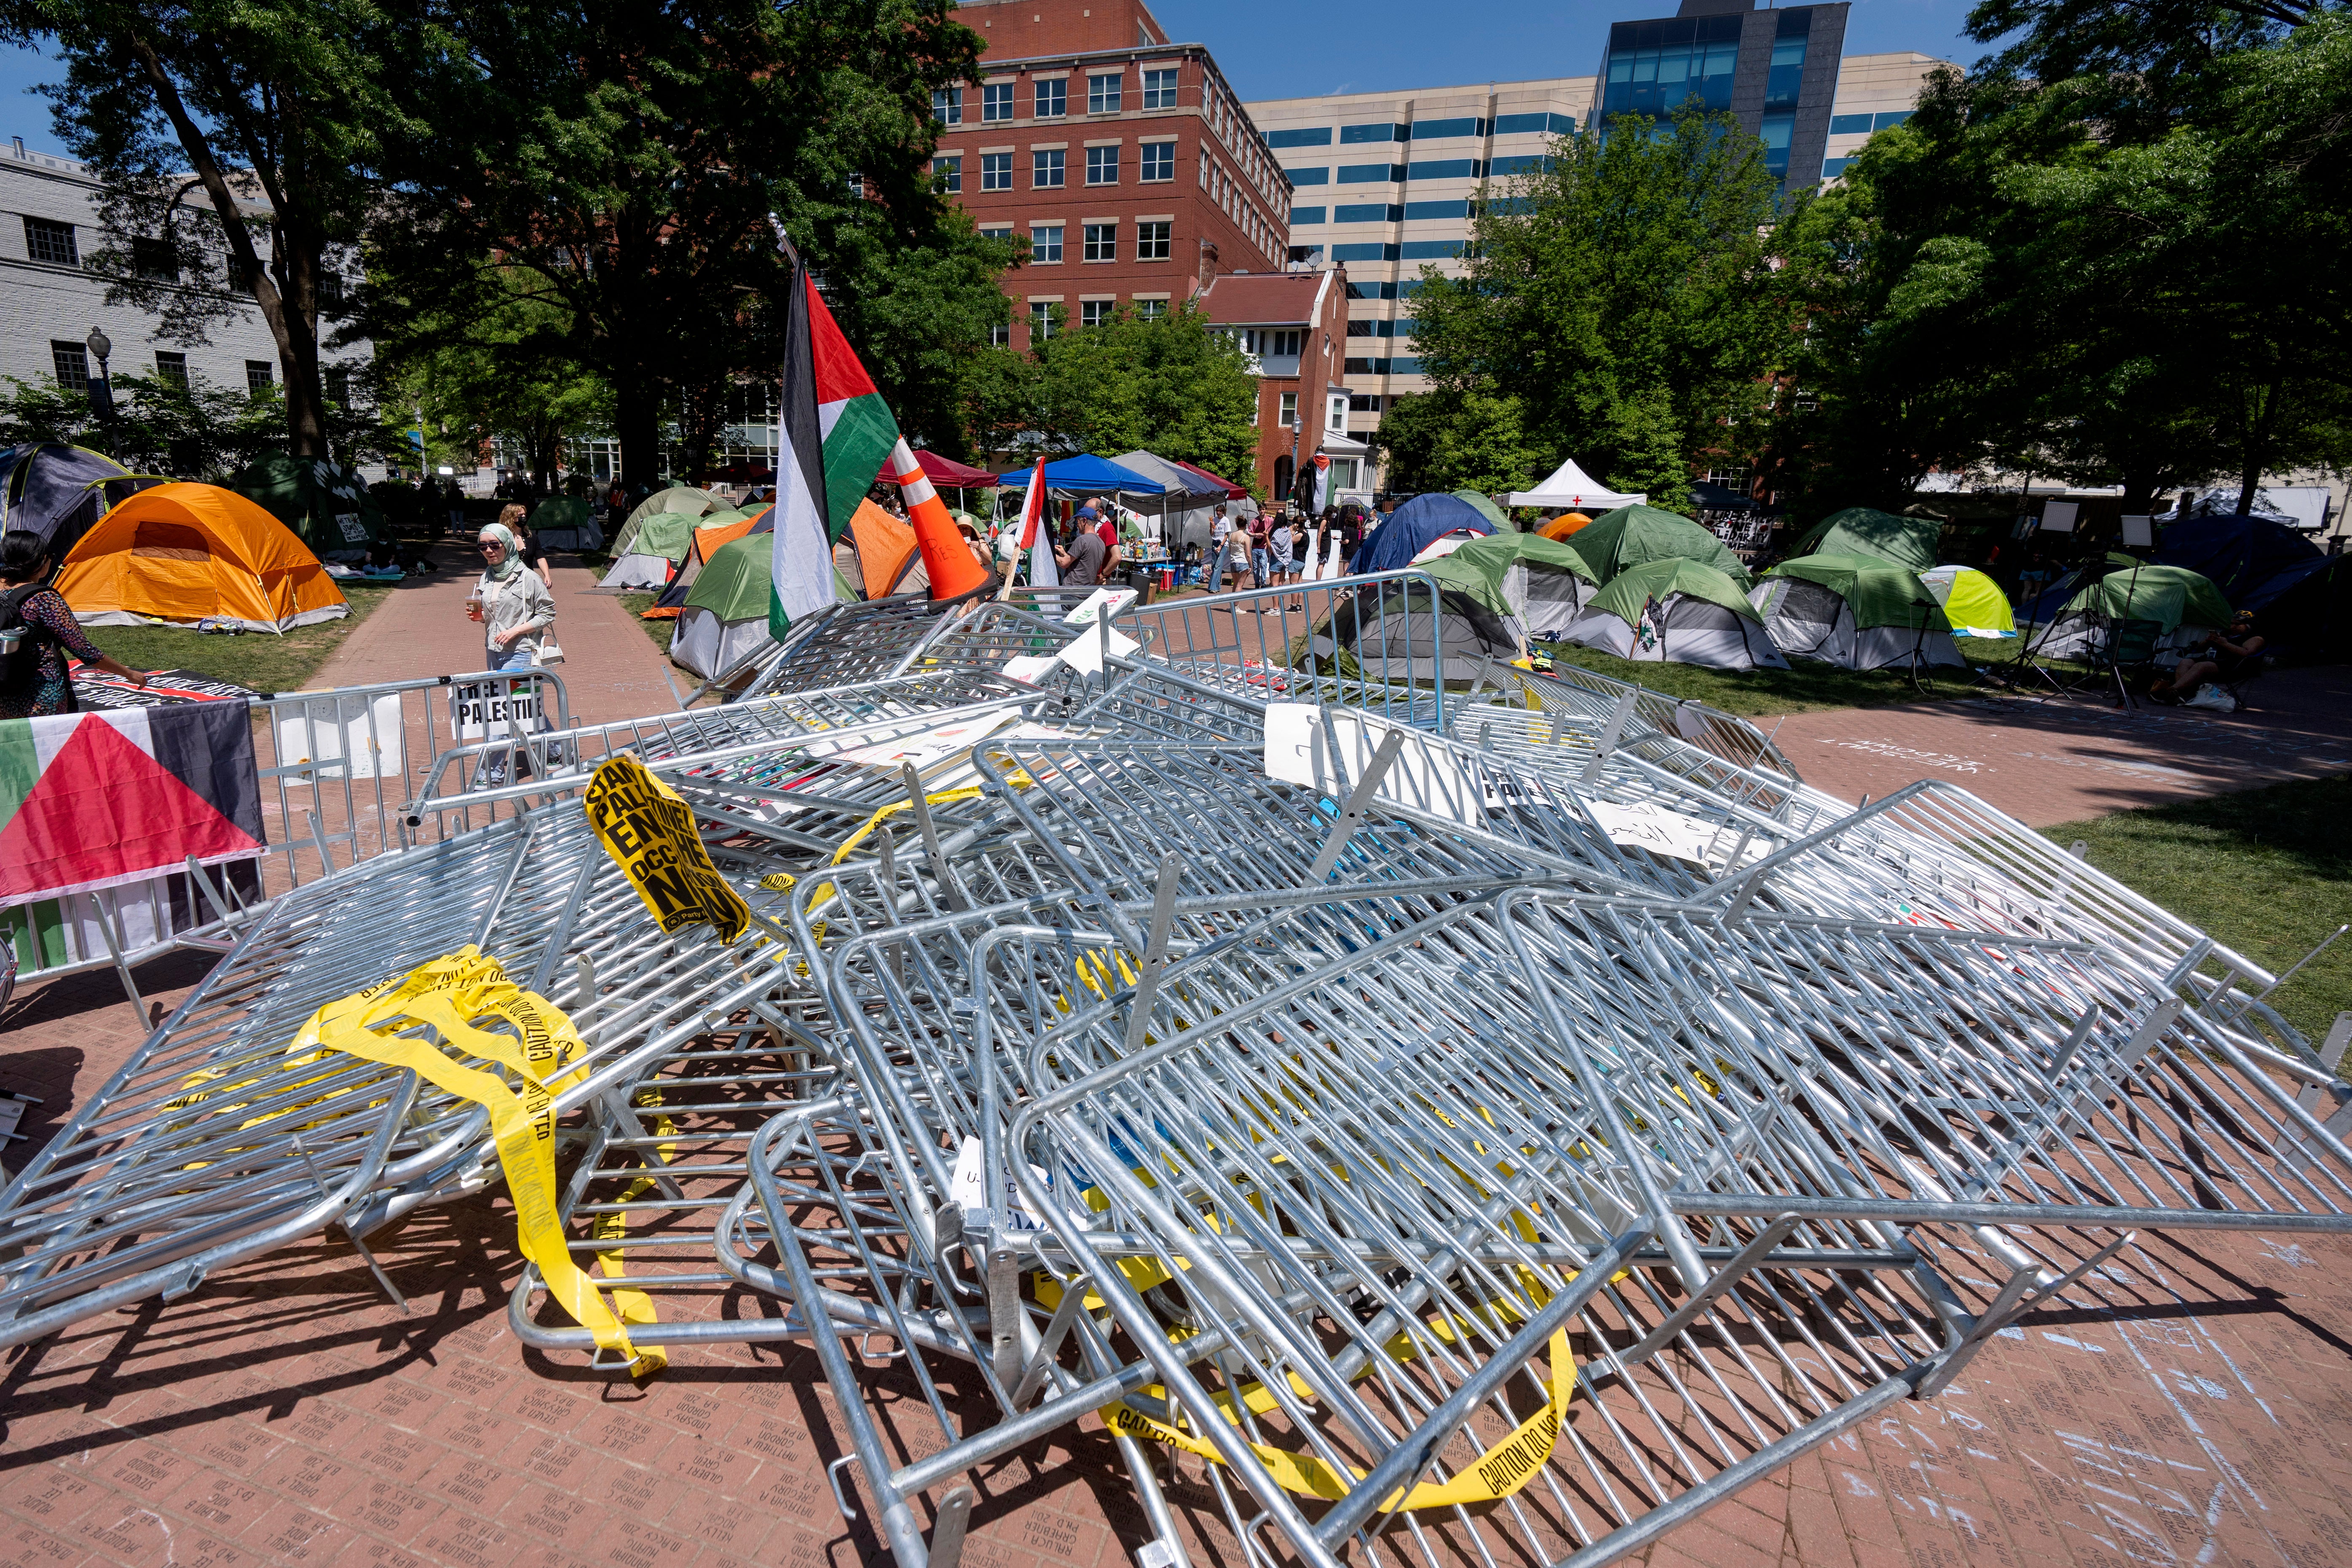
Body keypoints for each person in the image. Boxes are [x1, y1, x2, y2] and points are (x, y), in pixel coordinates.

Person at [0, 533, 152, 718]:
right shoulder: (44, 600)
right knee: (47, 745)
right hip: (38, 694)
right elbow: (84, 650)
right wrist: (128, 673)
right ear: (43, 562)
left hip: (3, 689)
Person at [468, 523, 556, 670]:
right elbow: (498, 613)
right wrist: (482, 617)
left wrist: (516, 631)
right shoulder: (487, 577)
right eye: (482, 546)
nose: (488, 550)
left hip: (520, 652)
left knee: (516, 694)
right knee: (499, 694)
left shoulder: (528, 578)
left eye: (495, 545)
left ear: (508, 544)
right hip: (493, 650)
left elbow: (548, 614)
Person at [2150, 611, 2264, 703]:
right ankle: (2183, 695)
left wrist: (2225, 644)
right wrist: (2207, 641)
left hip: (2232, 667)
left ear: (2249, 626)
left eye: (2237, 624)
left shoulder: (2255, 638)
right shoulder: (2225, 634)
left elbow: (2246, 653)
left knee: (2202, 666)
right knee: (2186, 662)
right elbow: (2199, 649)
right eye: (2232, 623)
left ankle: (2172, 691)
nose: (2233, 627)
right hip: (2212, 660)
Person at [497, 502, 553, 587]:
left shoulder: (531, 537)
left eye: (524, 515)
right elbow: (493, 561)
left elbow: (541, 558)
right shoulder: (502, 538)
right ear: (511, 518)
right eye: (520, 515)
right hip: (507, 582)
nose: (523, 517)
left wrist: (547, 576)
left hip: (528, 581)